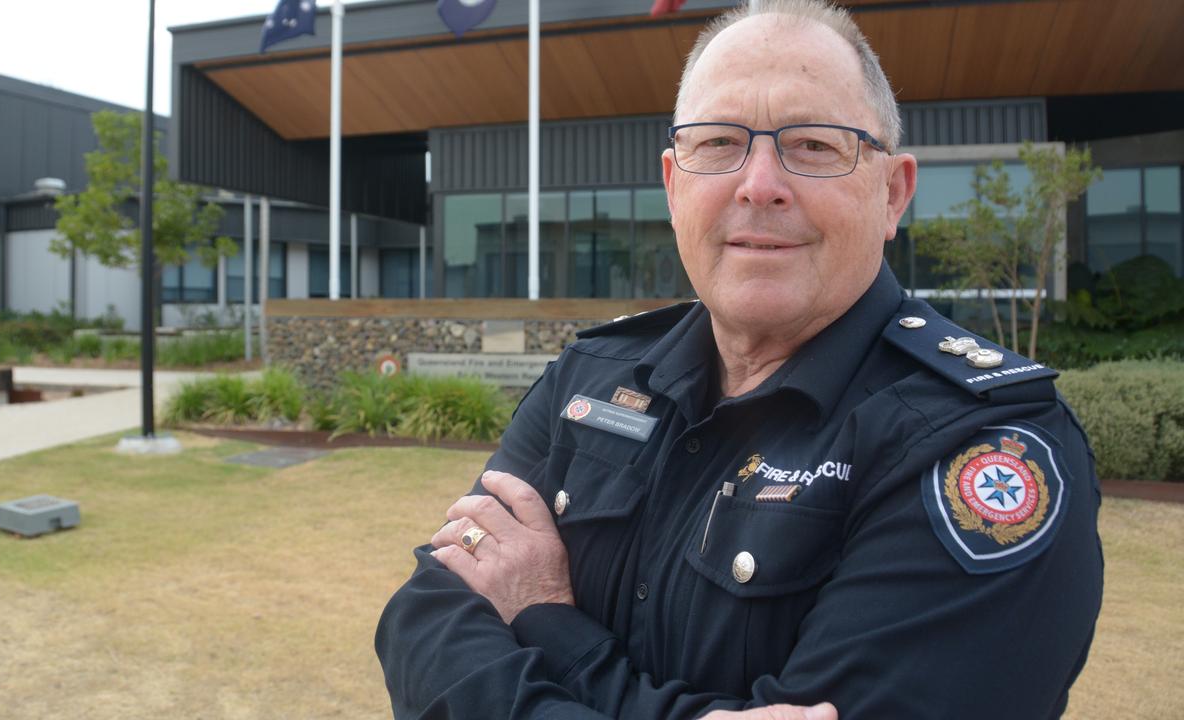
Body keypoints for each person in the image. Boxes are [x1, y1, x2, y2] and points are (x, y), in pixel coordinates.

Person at [376, 1, 1103, 718]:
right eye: (719, 143)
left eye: (815, 145)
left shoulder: (979, 447)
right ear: (672, 185)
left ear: (892, 194)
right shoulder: (592, 377)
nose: (759, 184)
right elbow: (425, 618)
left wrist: (545, 621)